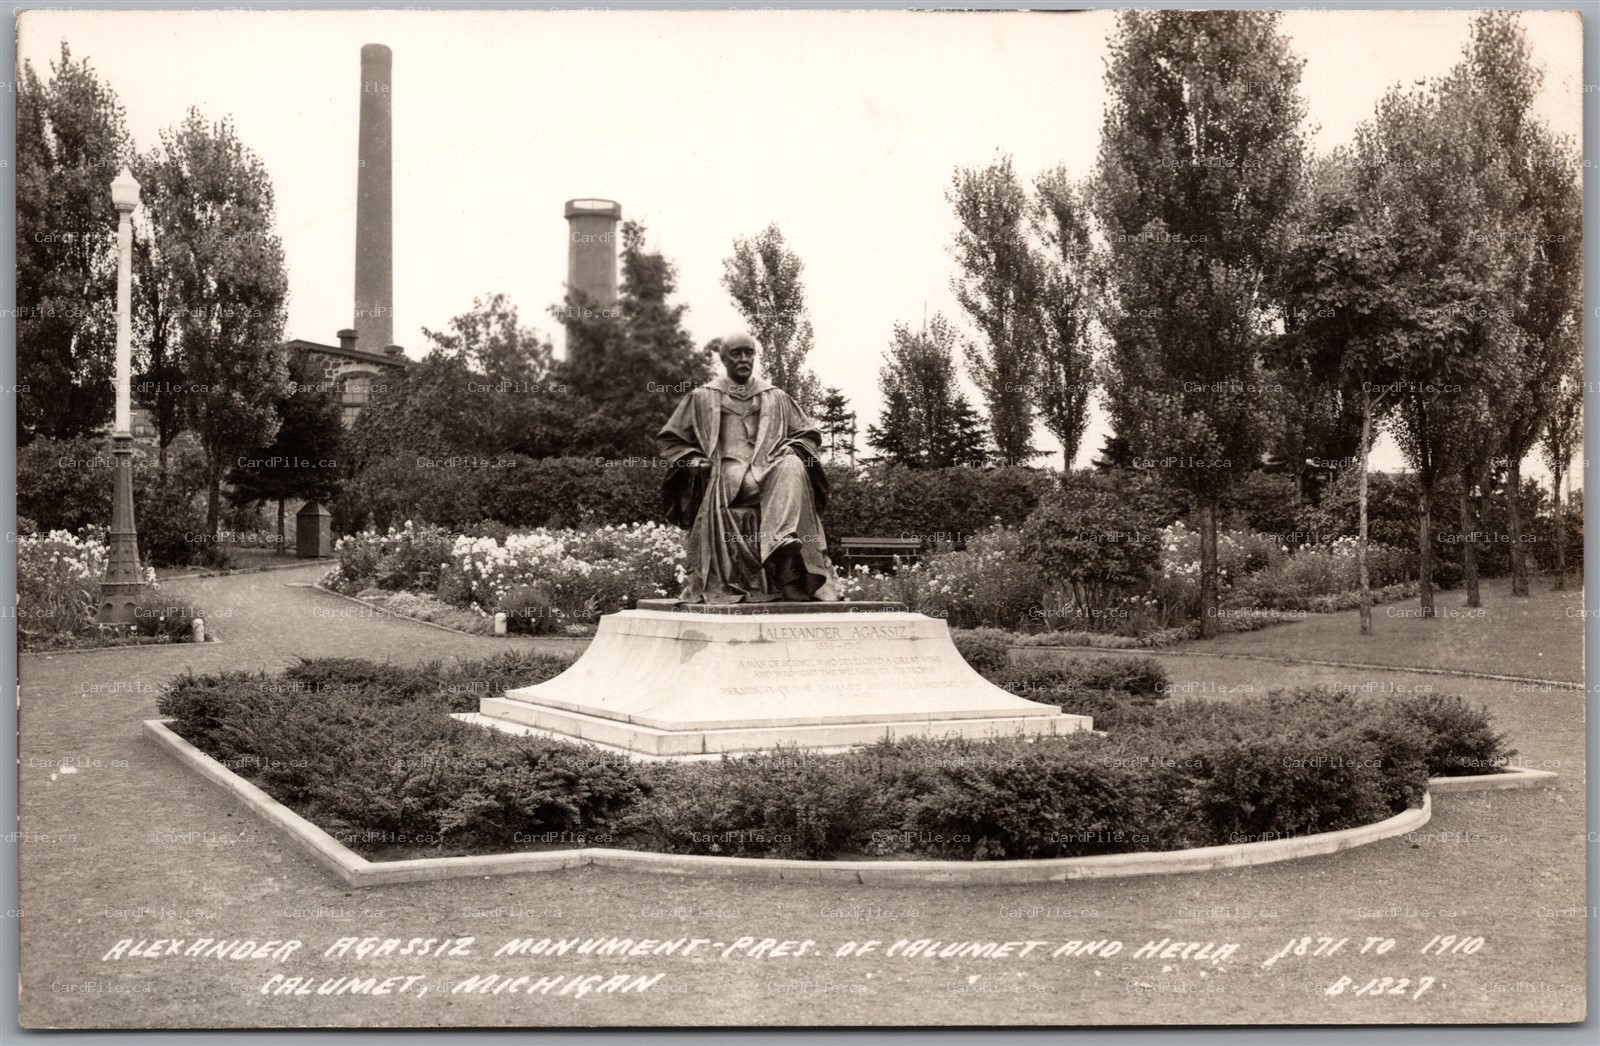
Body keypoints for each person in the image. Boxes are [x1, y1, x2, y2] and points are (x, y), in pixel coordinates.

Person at [656, 333, 841, 603]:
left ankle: (780, 543)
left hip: (770, 471)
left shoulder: (775, 396)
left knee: (793, 463)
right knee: (789, 480)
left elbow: (808, 435)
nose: (744, 359)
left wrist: (795, 447)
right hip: (727, 478)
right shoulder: (703, 397)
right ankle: (787, 574)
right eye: (736, 353)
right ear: (723, 358)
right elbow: (671, 440)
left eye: (749, 352)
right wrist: (693, 459)